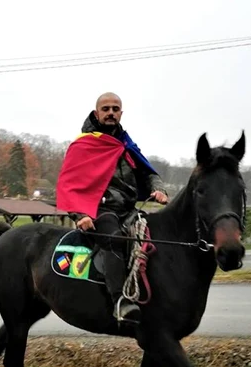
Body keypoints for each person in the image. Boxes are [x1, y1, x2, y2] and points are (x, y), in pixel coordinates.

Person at [56, 93, 168, 325]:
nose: (110, 113)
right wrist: (80, 215)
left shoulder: (126, 144)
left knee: (160, 238)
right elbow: (69, 183)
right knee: (115, 239)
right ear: (97, 113)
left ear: (121, 114)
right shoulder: (83, 144)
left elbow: (148, 173)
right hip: (99, 211)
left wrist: (158, 189)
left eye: (115, 109)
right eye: (105, 109)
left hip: (130, 210)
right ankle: (120, 301)